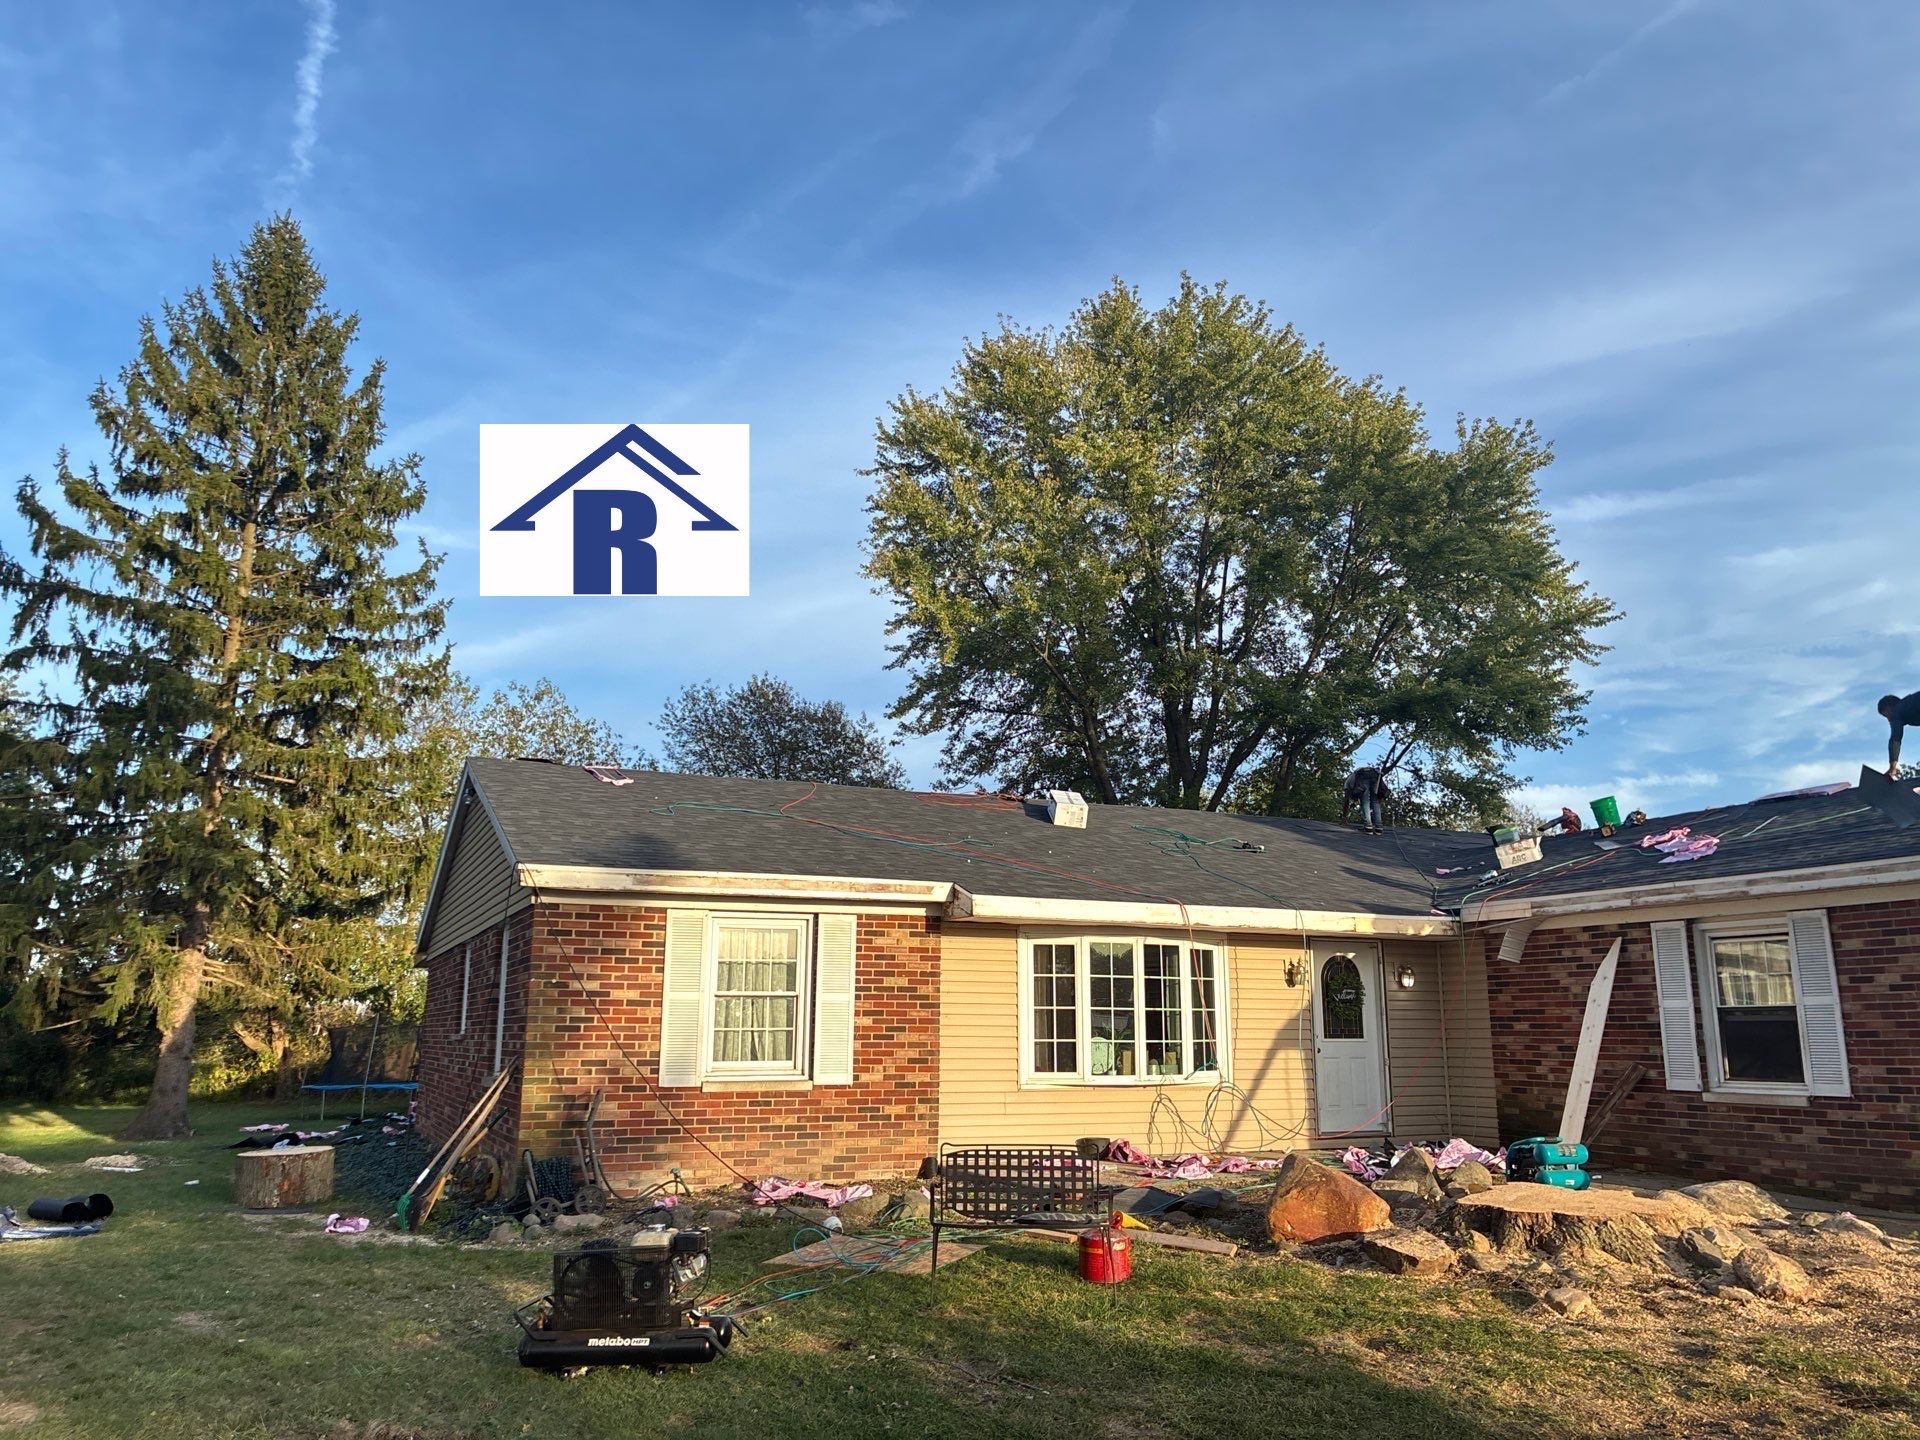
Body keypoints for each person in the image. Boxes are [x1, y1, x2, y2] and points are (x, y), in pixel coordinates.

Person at [1882, 692, 1920, 777]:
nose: (1888, 720)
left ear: (1888, 708)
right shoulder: (1909, 704)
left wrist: (1892, 768)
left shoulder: (1897, 711)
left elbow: (1895, 738)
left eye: (1886, 715)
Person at [1342, 766, 1390, 833]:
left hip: (1363, 775)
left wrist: (1344, 818)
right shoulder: (1352, 779)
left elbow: (1346, 801)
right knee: (1375, 801)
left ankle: (1368, 825)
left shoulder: (1347, 785)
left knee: (1365, 800)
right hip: (1375, 774)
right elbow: (1379, 799)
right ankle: (1379, 827)